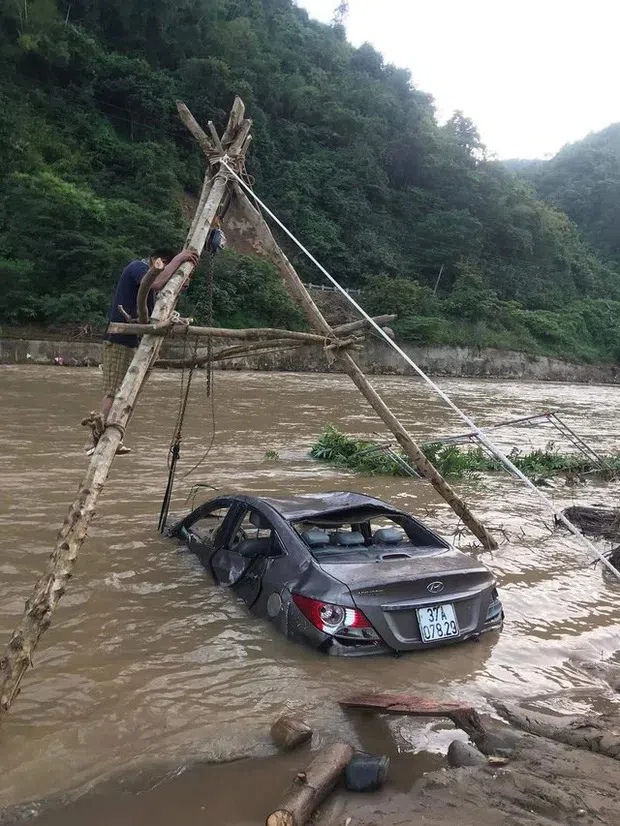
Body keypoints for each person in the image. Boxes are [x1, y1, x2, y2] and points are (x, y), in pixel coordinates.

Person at [87, 247, 199, 456]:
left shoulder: (150, 293)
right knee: (114, 390)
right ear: (158, 261)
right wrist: (181, 258)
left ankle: (114, 433)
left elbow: (151, 308)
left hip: (134, 342)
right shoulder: (138, 267)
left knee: (127, 392)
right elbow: (155, 281)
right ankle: (94, 439)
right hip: (119, 338)